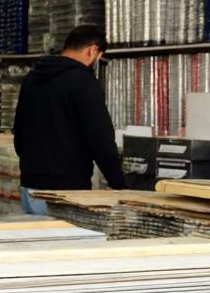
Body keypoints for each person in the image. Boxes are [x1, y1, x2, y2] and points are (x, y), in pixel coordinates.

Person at [12, 25, 126, 214]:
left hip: (31, 186)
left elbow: (20, 133)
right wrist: (121, 186)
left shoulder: (33, 78)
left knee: (36, 242)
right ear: (93, 50)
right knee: (67, 241)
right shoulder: (84, 82)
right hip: (67, 191)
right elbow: (100, 139)